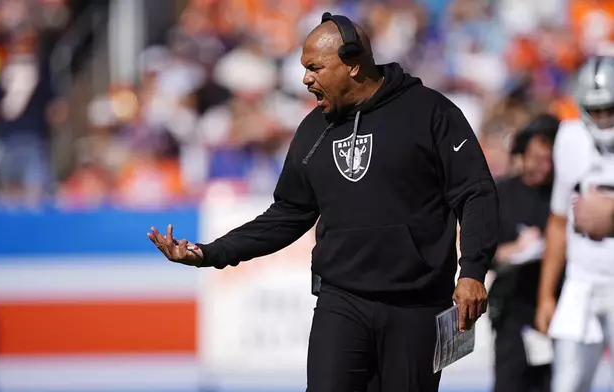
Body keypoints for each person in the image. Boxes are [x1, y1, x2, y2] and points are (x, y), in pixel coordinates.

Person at [148, 13, 499, 392]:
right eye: (304, 68)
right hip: (341, 302)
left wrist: (473, 271)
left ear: (352, 64)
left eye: (315, 67)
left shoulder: (432, 112)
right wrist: (210, 252)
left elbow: (475, 192)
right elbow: (287, 214)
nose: (305, 79)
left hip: (418, 306)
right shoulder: (314, 129)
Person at [535, 55, 614, 392]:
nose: (603, 118)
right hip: (580, 281)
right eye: (595, 110)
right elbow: (557, 222)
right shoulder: (569, 139)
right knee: (566, 384)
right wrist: (546, 295)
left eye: (610, 109)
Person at [488, 114, 559, 392]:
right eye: (537, 158)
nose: (545, 166)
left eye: (550, 159)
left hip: (554, 309)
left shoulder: (561, 194)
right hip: (512, 310)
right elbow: (483, 251)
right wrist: (514, 250)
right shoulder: (502, 193)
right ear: (522, 155)